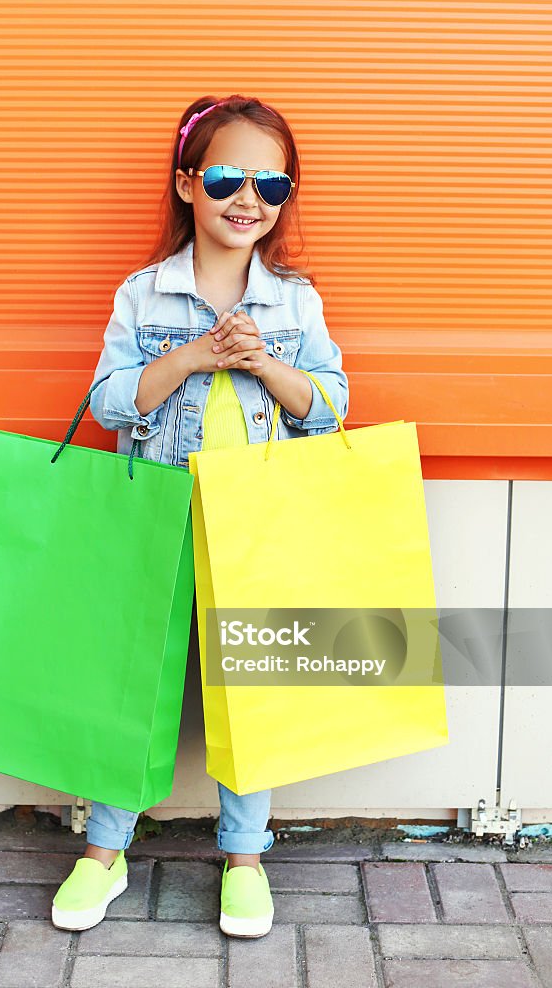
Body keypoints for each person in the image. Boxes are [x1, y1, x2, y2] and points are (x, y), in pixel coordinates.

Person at [51, 94, 349, 939]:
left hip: (255, 524)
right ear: (188, 183)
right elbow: (109, 404)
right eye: (225, 176)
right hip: (156, 519)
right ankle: (103, 850)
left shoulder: (293, 302)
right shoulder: (145, 295)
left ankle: (245, 856)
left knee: (250, 688)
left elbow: (328, 408)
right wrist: (190, 356)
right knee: (130, 683)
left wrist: (267, 366)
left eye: (272, 182)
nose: (246, 197)